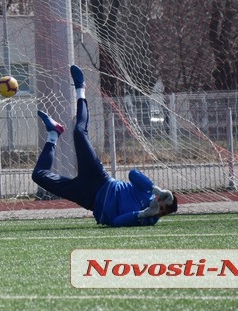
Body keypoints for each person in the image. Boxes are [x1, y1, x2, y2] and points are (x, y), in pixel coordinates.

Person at [32, 65, 178, 227]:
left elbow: (116, 221)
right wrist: (157, 190)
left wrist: (142, 214)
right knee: (79, 132)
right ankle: (80, 89)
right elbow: (133, 174)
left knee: (39, 176)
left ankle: (53, 133)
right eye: (162, 203)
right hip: (101, 182)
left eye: (163, 210)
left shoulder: (148, 219)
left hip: (90, 199)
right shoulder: (148, 192)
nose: (160, 208)